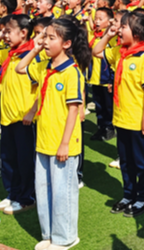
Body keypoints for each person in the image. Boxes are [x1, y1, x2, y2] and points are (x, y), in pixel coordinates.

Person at [16, 18, 91, 250]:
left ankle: (66, 237)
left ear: (67, 43)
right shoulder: (44, 66)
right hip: (44, 140)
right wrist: (35, 47)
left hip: (62, 143)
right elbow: (20, 68)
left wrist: (65, 144)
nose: (45, 41)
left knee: (63, 192)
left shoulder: (72, 72)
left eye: (51, 37)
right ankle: (49, 234)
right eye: (44, 36)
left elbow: (73, 112)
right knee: (44, 189)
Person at [92, 11, 144, 218]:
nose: (120, 30)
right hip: (121, 118)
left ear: (137, 33)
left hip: (137, 120)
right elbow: (96, 51)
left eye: (124, 27)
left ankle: (143, 198)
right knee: (126, 161)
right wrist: (108, 35)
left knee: (141, 161)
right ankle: (128, 195)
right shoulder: (120, 52)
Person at [0, 15, 40, 215]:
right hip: (7, 116)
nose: (3, 35)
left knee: (25, 160)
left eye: (7, 31)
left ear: (23, 33)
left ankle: (27, 197)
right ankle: (13, 193)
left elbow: (42, 86)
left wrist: (32, 111)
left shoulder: (35, 55)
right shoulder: (9, 53)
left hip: (24, 119)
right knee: (8, 158)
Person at [87, 8, 116, 141]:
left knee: (108, 106)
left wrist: (111, 79)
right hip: (95, 77)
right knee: (99, 105)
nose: (97, 21)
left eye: (100, 19)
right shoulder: (93, 35)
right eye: (96, 18)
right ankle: (101, 128)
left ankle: (110, 128)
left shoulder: (111, 37)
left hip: (106, 79)